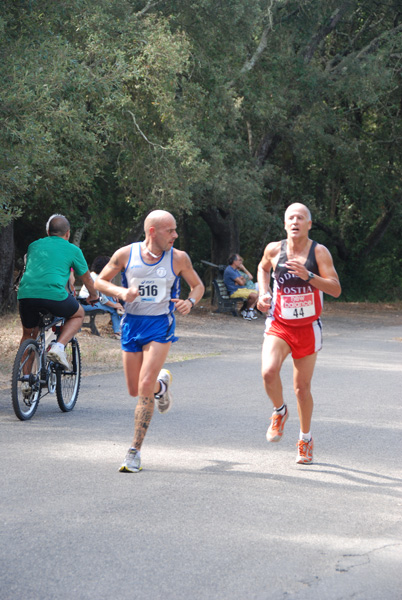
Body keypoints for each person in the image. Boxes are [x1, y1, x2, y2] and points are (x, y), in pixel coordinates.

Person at [95, 209, 205, 473]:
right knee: (136, 389)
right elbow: (99, 282)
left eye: (176, 230)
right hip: (132, 325)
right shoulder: (125, 254)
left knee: (143, 384)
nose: (176, 235)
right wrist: (122, 292)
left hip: (159, 325)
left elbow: (198, 286)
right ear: (152, 231)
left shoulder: (178, 258)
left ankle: (134, 452)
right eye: (171, 230)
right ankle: (161, 386)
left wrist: (190, 302)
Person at [257, 203, 341, 464]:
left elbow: (335, 289)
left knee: (301, 389)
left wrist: (309, 276)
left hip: (307, 327)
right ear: (285, 224)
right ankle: (279, 412)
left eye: (300, 218)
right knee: (268, 371)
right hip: (279, 323)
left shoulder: (320, 252)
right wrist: (264, 293)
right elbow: (262, 269)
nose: (295, 221)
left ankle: (305, 439)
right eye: (290, 218)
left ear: (309, 224)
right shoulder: (274, 249)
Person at [17, 214, 98, 370]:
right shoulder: (73, 250)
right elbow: (87, 279)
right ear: (67, 233)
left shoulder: (33, 245)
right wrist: (94, 295)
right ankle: (58, 347)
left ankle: (26, 379)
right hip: (54, 296)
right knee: (78, 314)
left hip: (26, 295)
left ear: (48, 232)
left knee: (29, 334)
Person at [79, 256, 123, 337]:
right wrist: (116, 305)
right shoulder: (97, 279)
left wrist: (112, 294)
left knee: (114, 302)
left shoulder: (93, 275)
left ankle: (119, 329)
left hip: (88, 302)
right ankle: (118, 332)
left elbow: (104, 293)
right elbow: (103, 299)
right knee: (113, 308)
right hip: (87, 304)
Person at [224, 254, 258, 320]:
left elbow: (243, 280)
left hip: (240, 289)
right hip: (234, 291)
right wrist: (240, 280)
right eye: (239, 260)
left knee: (258, 294)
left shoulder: (235, 270)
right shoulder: (230, 270)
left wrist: (240, 280)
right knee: (254, 296)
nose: (241, 262)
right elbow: (242, 282)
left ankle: (246, 310)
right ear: (234, 261)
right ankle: (246, 311)